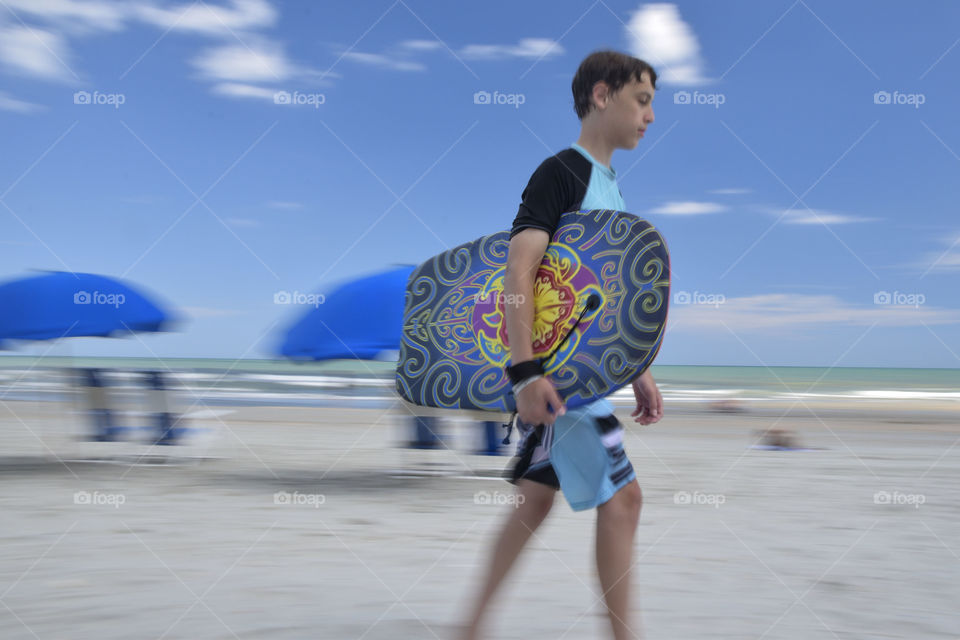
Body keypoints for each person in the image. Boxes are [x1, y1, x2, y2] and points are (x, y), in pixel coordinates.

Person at [460, 50, 665, 640]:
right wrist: (524, 373)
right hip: (558, 385)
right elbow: (519, 271)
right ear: (603, 95)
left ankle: (468, 628)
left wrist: (637, 366)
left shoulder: (608, 185)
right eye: (642, 100)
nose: (650, 116)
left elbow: (597, 301)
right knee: (622, 501)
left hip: (577, 380)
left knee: (535, 500)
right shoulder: (562, 172)